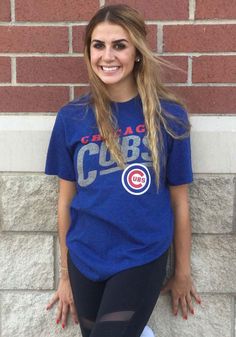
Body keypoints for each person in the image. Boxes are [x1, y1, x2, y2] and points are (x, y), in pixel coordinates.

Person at [45, 4, 201, 337]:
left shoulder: (169, 117)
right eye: (98, 45)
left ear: (137, 53)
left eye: (119, 45)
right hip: (85, 257)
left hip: (139, 255)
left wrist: (182, 270)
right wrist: (64, 275)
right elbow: (65, 201)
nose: (107, 56)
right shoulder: (71, 118)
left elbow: (179, 202)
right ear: (88, 52)